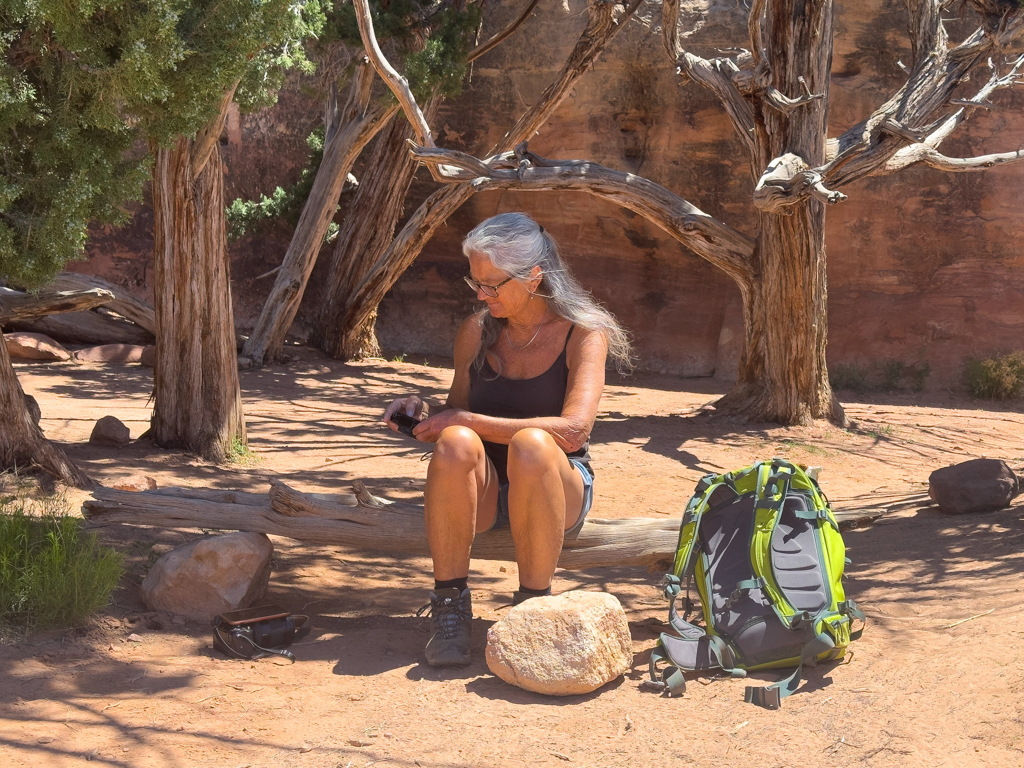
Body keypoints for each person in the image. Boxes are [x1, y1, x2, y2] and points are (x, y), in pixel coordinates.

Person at [383, 212, 632, 667]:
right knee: (456, 440)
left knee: (533, 444)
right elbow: (457, 417)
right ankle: (450, 606)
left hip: (556, 485)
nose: (480, 295)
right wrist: (423, 413)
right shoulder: (477, 331)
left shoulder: (584, 332)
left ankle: (532, 609)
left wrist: (467, 419)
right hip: (485, 491)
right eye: (474, 282)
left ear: (534, 277)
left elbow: (575, 432)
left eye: (492, 285)